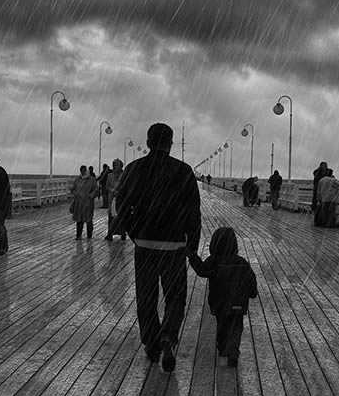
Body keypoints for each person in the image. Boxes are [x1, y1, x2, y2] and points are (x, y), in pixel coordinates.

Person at [116, 123, 201, 372]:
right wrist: (192, 245)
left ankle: (151, 343)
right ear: (170, 143)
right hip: (174, 245)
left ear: (148, 142)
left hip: (145, 244)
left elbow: (121, 204)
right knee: (175, 297)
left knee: (146, 296)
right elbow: (194, 211)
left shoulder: (134, 169)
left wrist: (134, 232)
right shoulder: (183, 171)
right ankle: (168, 336)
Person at [187, 227, 257, 367]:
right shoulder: (242, 262)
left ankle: (224, 349)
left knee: (223, 327)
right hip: (238, 303)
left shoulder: (214, 261)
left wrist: (192, 256)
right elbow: (251, 280)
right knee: (236, 328)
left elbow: (202, 270)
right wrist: (252, 292)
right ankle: (233, 350)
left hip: (220, 303)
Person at [70, 165, 97, 239]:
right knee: (79, 220)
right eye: (81, 170)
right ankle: (78, 235)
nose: (82, 171)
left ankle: (89, 235)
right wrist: (75, 193)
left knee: (88, 220)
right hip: (79, 202)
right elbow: (73, 189)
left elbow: (95, 189)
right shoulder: (77, 179)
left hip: (88, 202)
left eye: (84, 170)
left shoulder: (92, 179)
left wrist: (91, 196)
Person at [105, 158, 126, 241]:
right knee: (111, 217)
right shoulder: (109, 175)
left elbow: (126, 186)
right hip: (112, 198)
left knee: (121, 216)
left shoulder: (124, 175)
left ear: (121, 166)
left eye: (116, 165)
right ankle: (110, 233)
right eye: (113, 165)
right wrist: (112, 190)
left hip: (121, 199)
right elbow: (107, 186)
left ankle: (122, 233)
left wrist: (119, 191)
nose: (114, 166)